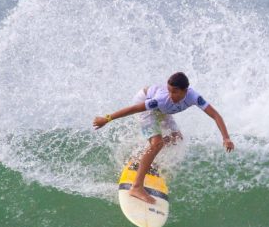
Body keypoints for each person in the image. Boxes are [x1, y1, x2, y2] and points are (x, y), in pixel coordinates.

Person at [93, 72, 234, 204]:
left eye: (175, 92)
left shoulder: (194, 97)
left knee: (177, 138)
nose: (171, 94)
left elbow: (215, 115)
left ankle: (144, 156)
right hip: (144, 100)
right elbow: (134, 109)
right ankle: (136, 187)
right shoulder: (162, 99)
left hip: (162, 110)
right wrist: (107, 118)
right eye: (169, 90)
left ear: (185, 91)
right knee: (157, 143)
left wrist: (226, 138)